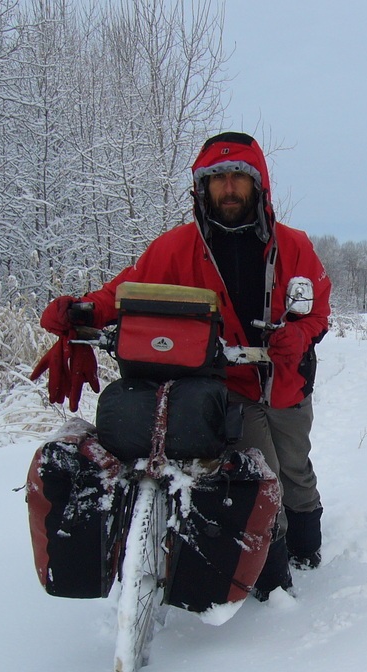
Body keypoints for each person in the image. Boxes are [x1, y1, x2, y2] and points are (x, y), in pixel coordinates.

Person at [31, 132, 332, 601]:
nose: (228, 187)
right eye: (217, 179)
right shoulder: (175, 249)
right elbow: (125, 292)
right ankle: (273, 581)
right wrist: (81, 311)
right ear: (202, 188)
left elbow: (319, 309)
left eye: (238, 177)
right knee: (260, 474)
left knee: (295, 468)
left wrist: (300, 332)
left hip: (289, 381)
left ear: (258, 185)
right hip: (228, 382)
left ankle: (308, 542)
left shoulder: (294, 247)